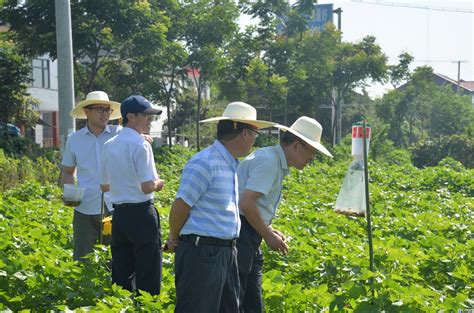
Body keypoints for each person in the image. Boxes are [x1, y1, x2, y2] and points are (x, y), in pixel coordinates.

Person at [165, 102, 274, 313]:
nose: (254, 141)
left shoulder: (230, 164)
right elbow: (180, 206)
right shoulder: (205, 162)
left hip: (226, 251)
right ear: (244, 134)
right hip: (202, 252)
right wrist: (173, 237)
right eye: (254, 134)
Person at [236, 116, 333, 313]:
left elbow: (250, 204)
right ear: (297, 146)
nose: (312, 159)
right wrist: (268, 235)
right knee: (237, 300)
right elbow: (245, 203)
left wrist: (267, 229)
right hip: (240, 234)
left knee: (251, 303)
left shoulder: (272, 159)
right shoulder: (269, 162)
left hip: (248, 231)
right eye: (312, 152)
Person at [100, 95, 165, 296]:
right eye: (145, 115)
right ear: (130, 116)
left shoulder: (109, 145)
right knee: (148, 271)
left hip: (119, 216)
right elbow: (147, 187)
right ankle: (146, 308)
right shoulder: (141, 145)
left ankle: (121, 306)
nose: (149, 120)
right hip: (142, 214)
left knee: (121, 271)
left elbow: (104, 186)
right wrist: (159, 183)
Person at [61, 90, 122, 261]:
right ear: (87, 111)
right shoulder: (74, 139)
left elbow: (136, 137)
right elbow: (68, 171)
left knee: (115, 256)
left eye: (107, 110)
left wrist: (144, 137)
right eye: (100, 109)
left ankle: (112, 288)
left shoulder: (119, 134)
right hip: (84, 207)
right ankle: (82, 288)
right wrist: (70, 194)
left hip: (113, 206)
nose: (105, 114)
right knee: (82, 257)